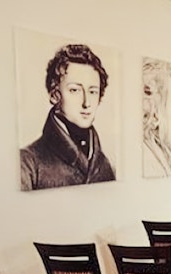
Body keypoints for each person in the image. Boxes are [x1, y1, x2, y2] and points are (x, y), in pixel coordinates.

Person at [21, 44, 115, 190]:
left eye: (93, 91)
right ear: (54, 95)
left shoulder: (104, 164)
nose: (86, 103)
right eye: (75, 90)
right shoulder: (28, 163)